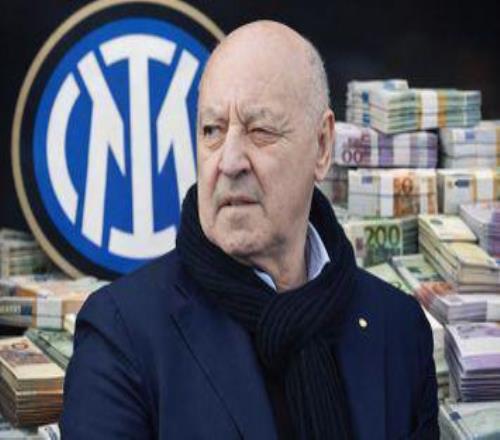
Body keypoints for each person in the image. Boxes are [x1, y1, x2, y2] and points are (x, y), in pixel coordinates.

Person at [60, 20, 439, 439]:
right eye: (212, 130)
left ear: (322, 146)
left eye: (260, 131)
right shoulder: (122, 333)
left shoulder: (398, 328)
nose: (229, 161)